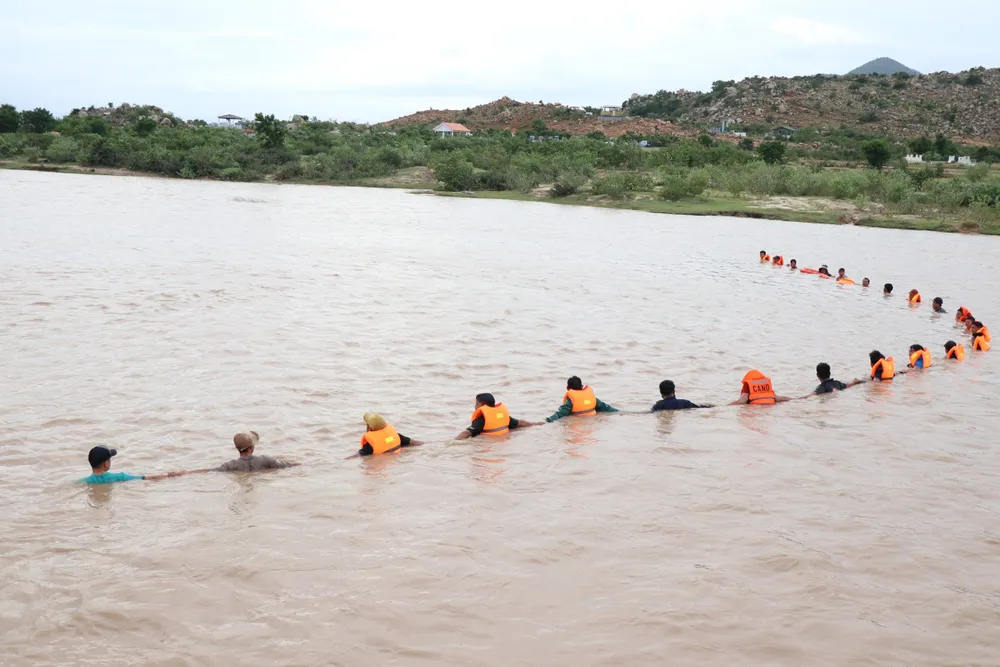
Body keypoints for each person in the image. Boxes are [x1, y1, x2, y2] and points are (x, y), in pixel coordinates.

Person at [455, 393, 538, 440]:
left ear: (484, 406)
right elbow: (521, 423)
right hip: (504, 443)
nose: (475, 406)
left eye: (477, 403)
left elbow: (467, 433)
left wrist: (453, 442)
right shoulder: (501, 415)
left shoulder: (481, 420)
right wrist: (537, 424)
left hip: (488, 445)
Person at [80, 446, 182, 484]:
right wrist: (170, 475)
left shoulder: (85, 481)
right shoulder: (119, 477)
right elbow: (145, 478)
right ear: (106, 464)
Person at [545, 376, 618, 422]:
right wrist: (618, 411)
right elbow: (606, 407)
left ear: (568, 388)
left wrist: (548, 420)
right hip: (593, 422)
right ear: (581, 386)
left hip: (578, 423)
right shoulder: (592, 398)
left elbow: (560, 413)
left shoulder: (570, 401)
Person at [217, 431, 297, 471]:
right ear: (251, 448)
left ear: (236, 447)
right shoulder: (265, 460)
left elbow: (213, 470)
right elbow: (288, 465)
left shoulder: (230, 465)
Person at [357, 413, 424, 456]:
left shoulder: (370, 446)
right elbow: (414, 442)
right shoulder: (394, 437)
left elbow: (358, 456)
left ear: (369, 428)